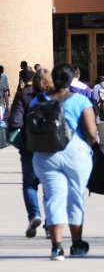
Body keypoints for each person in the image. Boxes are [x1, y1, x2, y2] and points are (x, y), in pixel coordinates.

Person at [31, 63, 97, 261]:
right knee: (75, 197)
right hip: (75, 154)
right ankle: (76, 244)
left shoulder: (38, 100)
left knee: (54, 198)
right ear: (71, 80)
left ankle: (57, 247)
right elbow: (92, 134)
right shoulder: (80, 100)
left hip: (45, 155)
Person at [8, 68, 53, 239]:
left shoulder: (23, 95)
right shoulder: (55, 96)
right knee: (50, 186)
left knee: (29, 184)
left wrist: (19, 140)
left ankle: (34, 215)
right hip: (50, 147)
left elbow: (15, 121)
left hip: (29, 146)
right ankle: (50, 223)